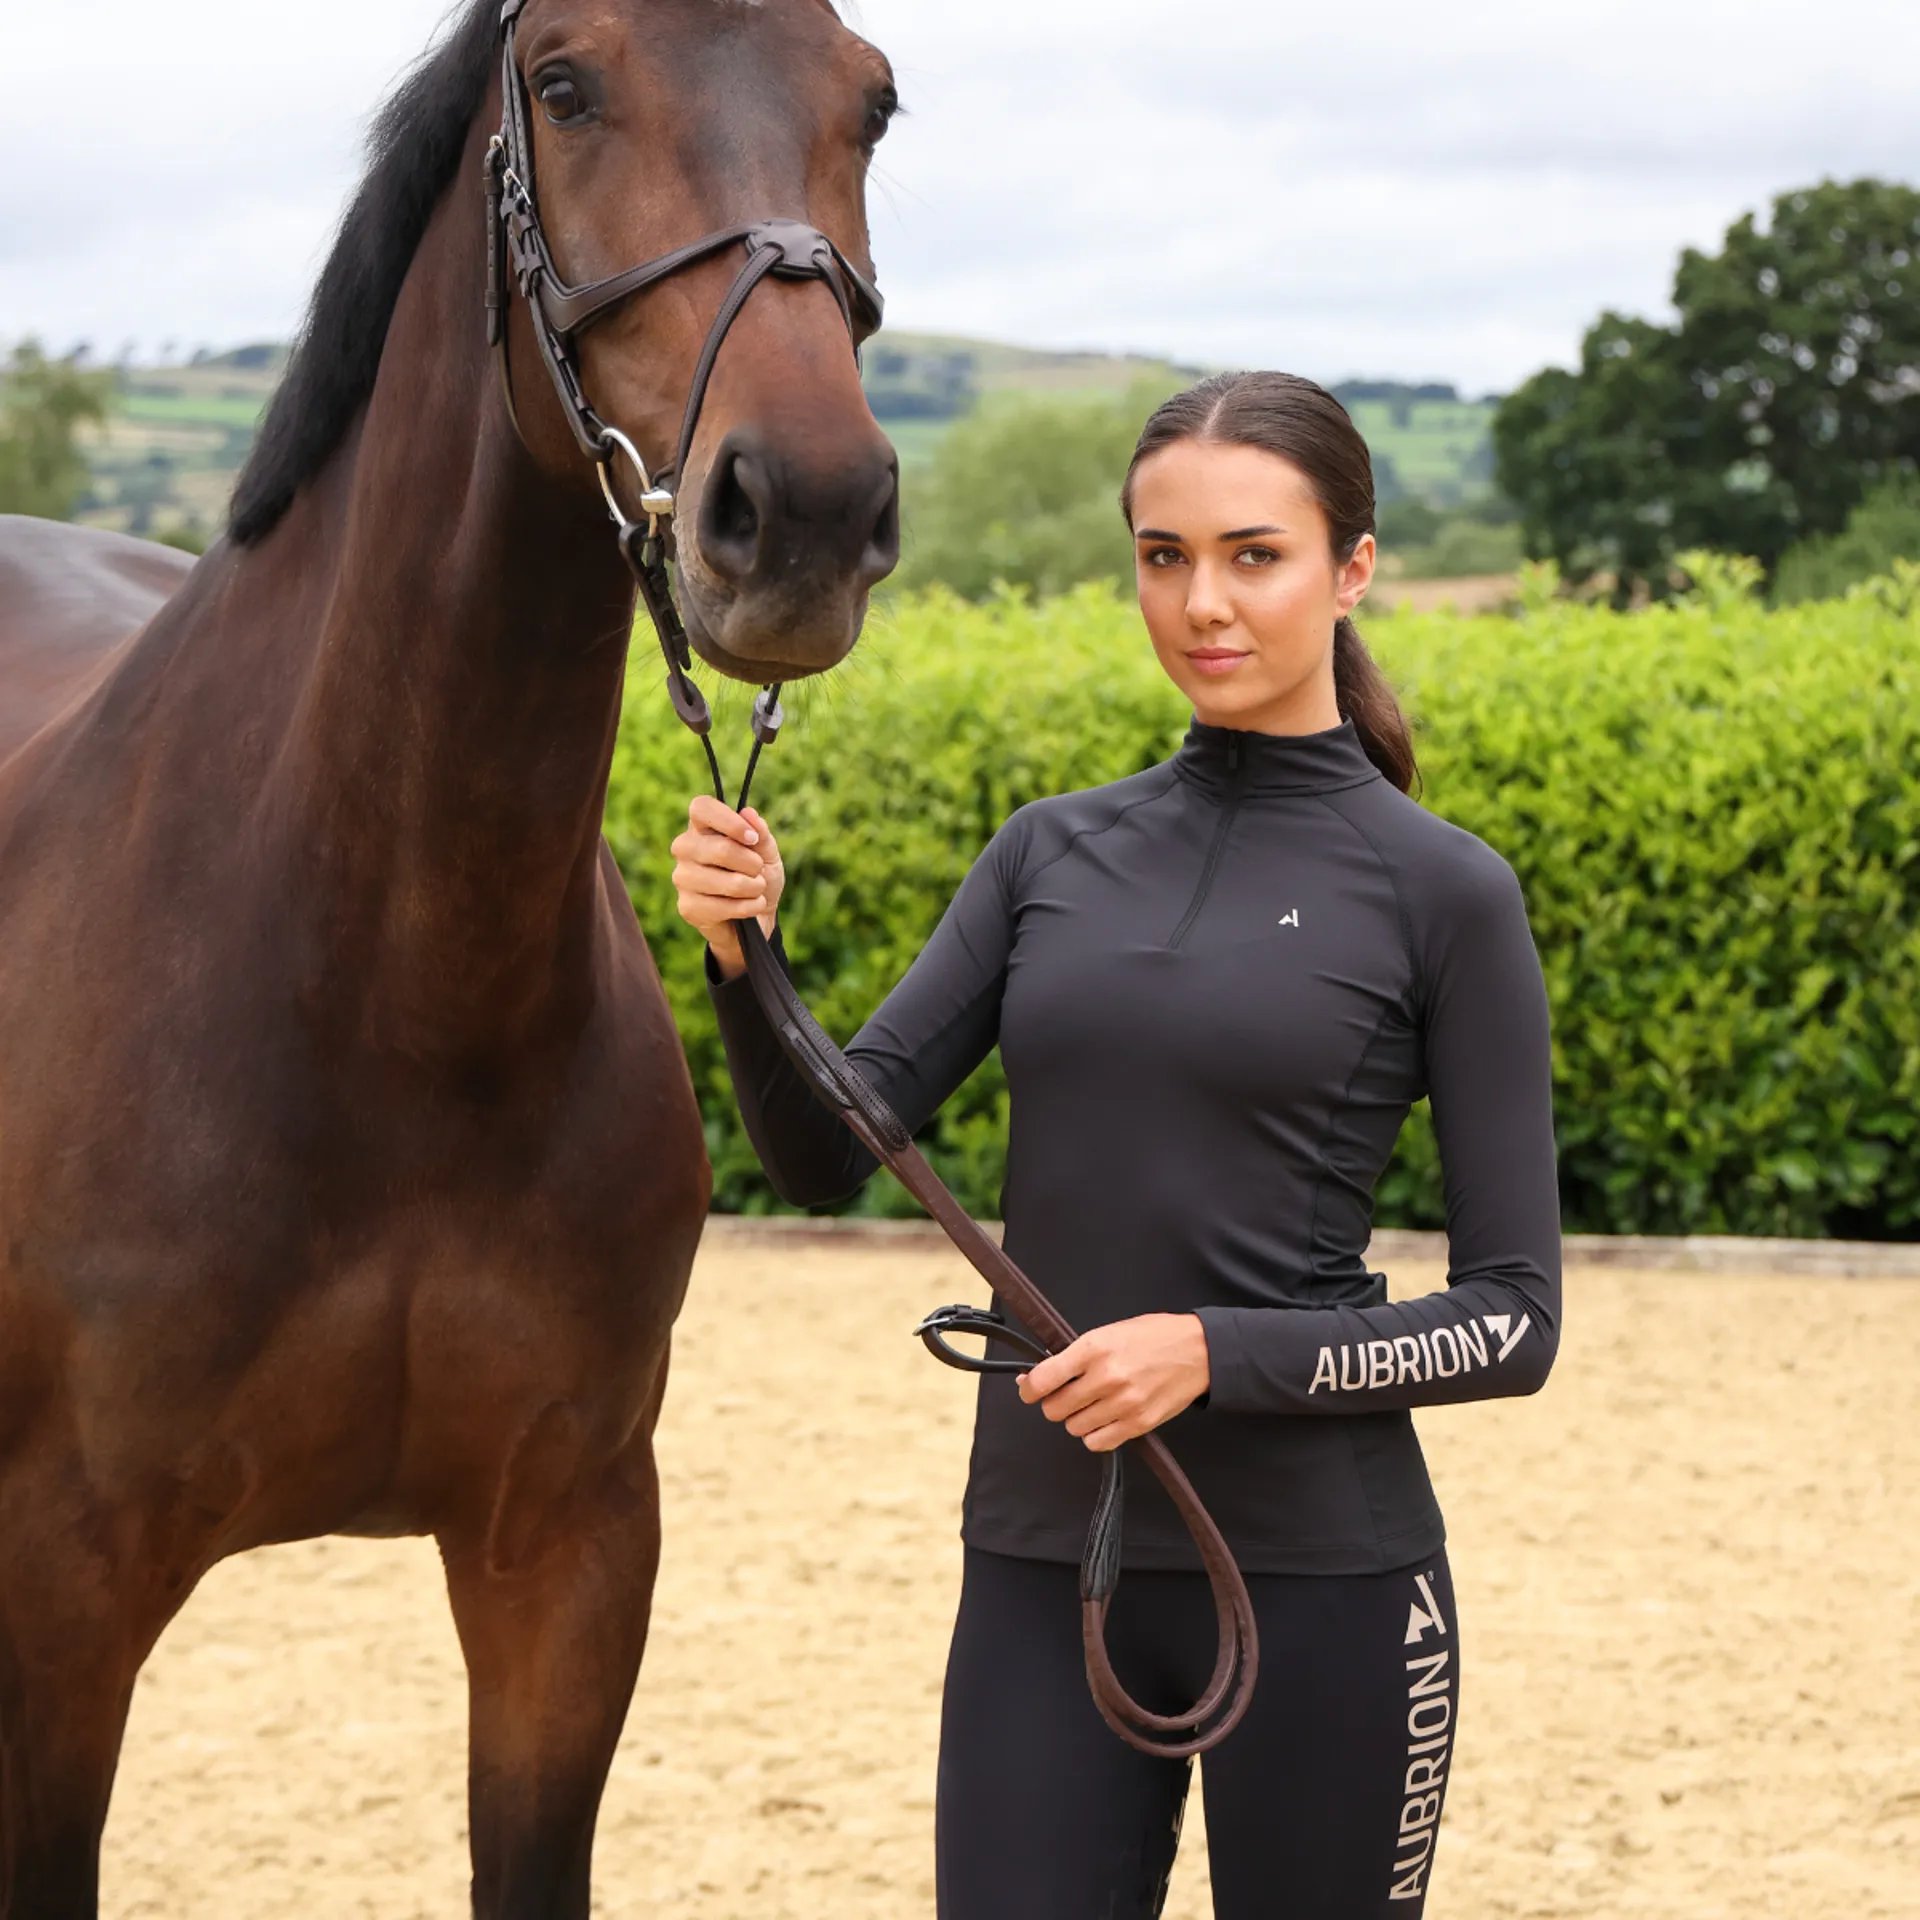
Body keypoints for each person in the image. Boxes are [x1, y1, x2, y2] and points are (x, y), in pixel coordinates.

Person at [668, 371, 1561, 1920]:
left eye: (1254, 554)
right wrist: (750, 962)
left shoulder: (1445, 894)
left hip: (1325, 1580)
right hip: (1040, 1561)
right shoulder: (1050, 853)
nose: (1203, 603)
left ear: (1352, 568)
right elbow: (828, 1154)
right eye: (1164, 556)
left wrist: (1211, 1351)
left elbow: (1511, 1322)